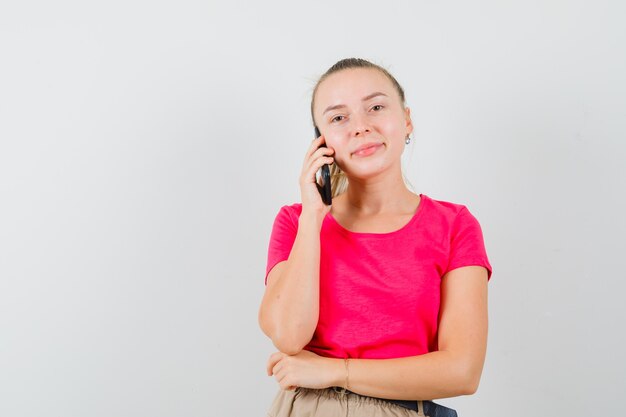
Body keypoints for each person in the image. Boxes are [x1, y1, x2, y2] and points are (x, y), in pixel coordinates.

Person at [258, 58, 493, 417]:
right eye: (339, 118)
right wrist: (313, 218)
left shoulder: (454, 225)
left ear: (406, 119)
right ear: (321, 143)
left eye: (376, 107)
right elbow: (289, 336)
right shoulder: (296, 222)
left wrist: (335, 371)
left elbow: (462, 371)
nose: (361, 127)